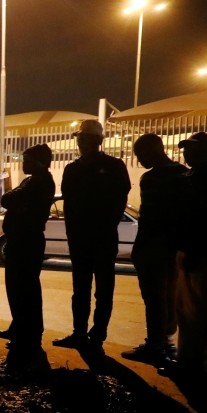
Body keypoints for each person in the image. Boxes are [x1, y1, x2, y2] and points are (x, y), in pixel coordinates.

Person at [53, 120, 131, 349]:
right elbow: (69, 202)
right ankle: (79, 333)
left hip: (103, 237)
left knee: (104, 289)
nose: (82, 143)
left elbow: (120, 200)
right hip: (80, 239)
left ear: (98, 141)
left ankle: (98, 335)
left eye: (86, 139)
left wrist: (105, 226)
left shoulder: (114, 166)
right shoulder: (73, 168)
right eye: (79, 139)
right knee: (80, 289)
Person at [163, 132, 207, 376]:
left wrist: (194, 250)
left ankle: (196, 364)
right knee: (186, 311)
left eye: (193, 150)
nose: (187, 154)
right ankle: (188, 360)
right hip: (189, 250)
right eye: (186, 149)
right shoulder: (196, 176)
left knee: (196, 312)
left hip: (198, 254)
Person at [121, 134, 187, 365]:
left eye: (140, 155)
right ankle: (166, 340)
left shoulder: (152, 178)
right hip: (175, 246)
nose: (139, 160)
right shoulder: (183, 173)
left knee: (154, 297)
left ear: (153, 151)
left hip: (154, 246)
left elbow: (150, 219)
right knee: (170, 295)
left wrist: (141, 249)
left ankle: (155, 344)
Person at [0, 144, 56, 355]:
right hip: (19, 240)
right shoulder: (31, 181)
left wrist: (15, 202)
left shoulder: (41, 182)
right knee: (15, 288)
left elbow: (7, 199)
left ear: (39, 163)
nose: (24, 164)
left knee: (26, 289)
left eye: (28, 160)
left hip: (27, 242)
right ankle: (19, 327)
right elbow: (10, 200)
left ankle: (30, 335)